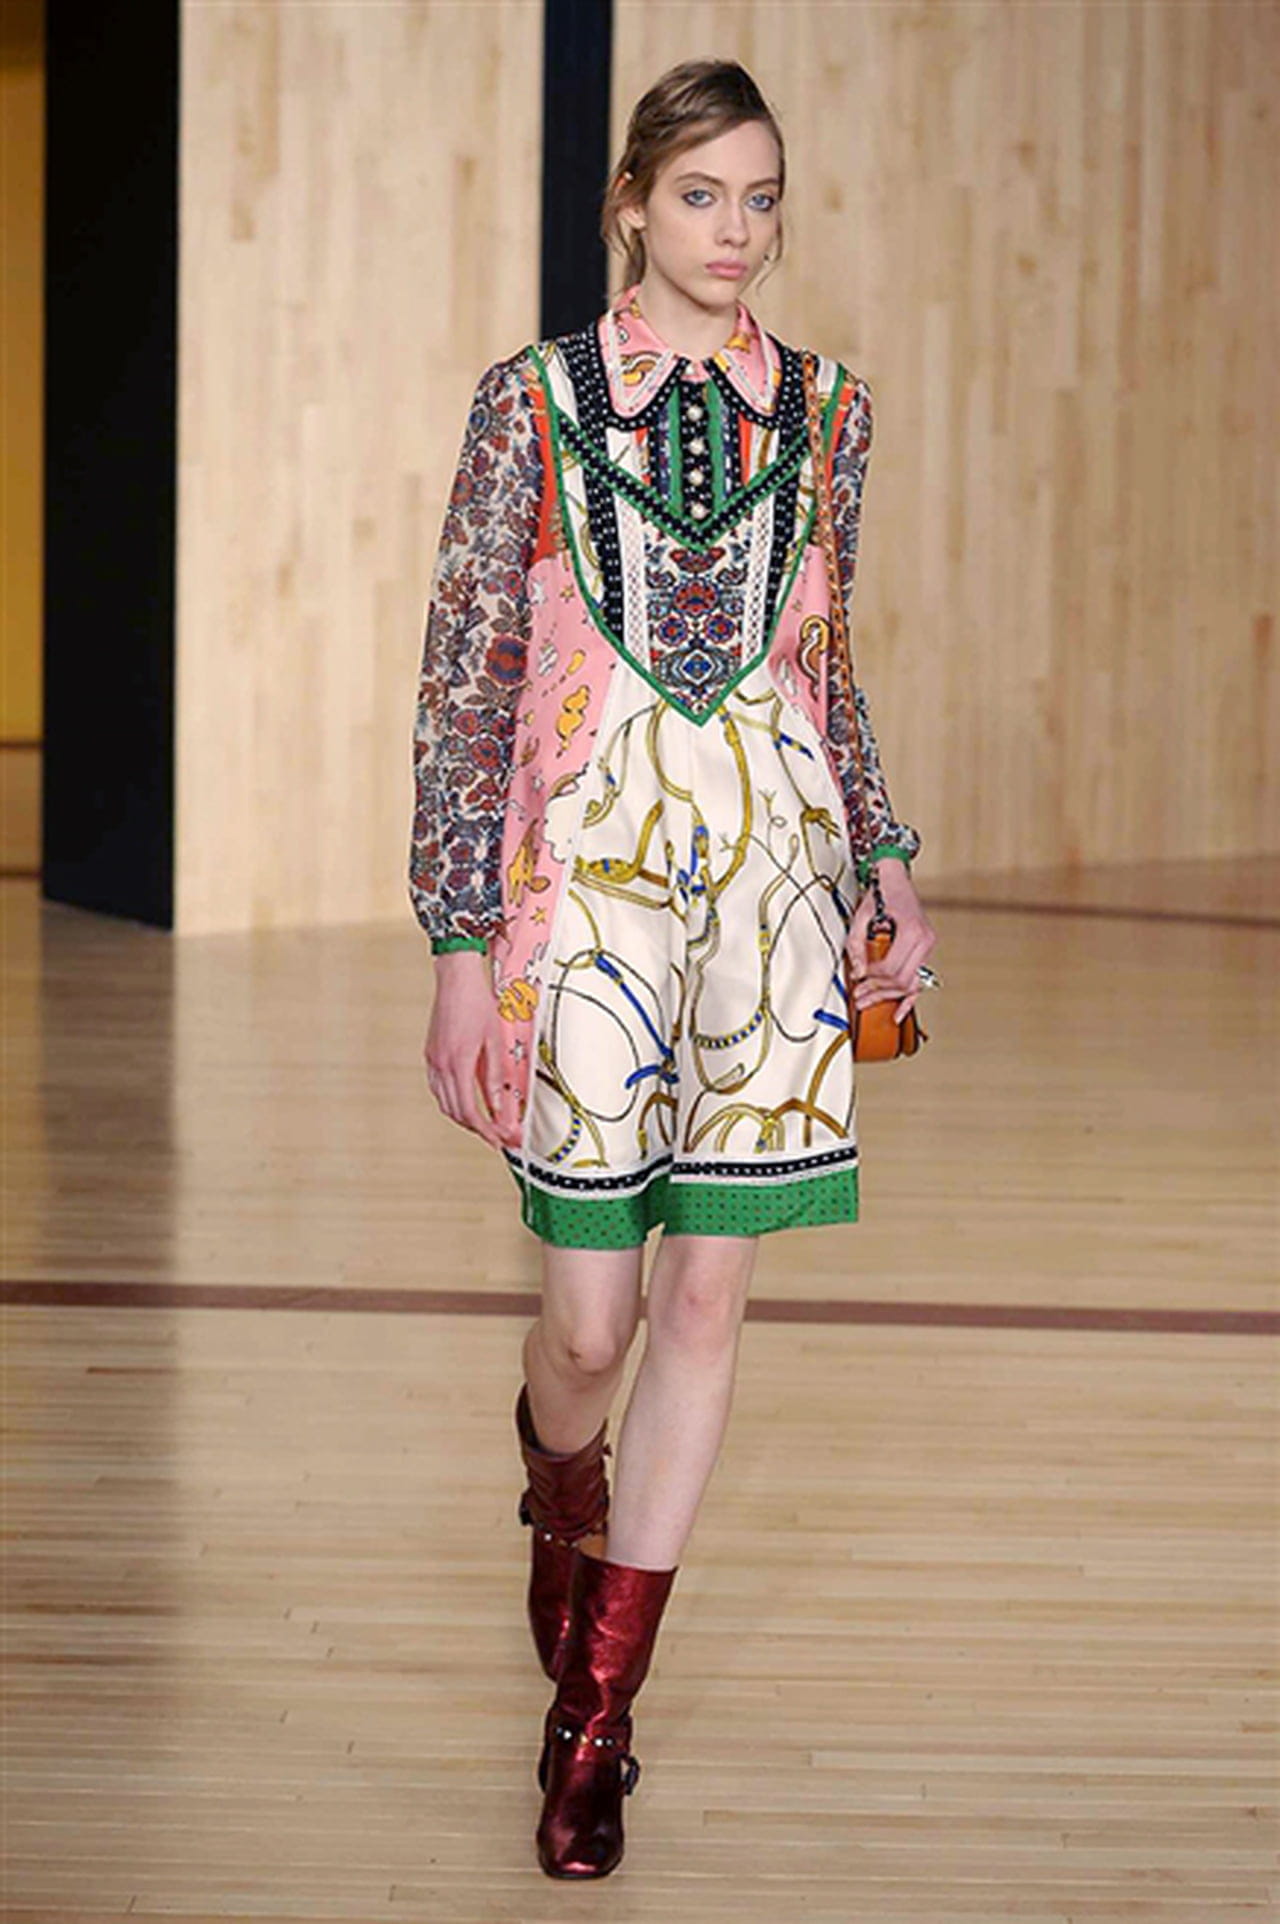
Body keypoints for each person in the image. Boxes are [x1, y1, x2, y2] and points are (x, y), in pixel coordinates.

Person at [408, 57, 936, 1880]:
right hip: (587, 904)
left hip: (776, 896)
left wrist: (886, 861)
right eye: (703, 194)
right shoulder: (531, 403)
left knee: (705, 1306)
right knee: (588, 1328)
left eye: (762, 197)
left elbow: (827, 663)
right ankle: (559, 1481)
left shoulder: (832, 411)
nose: (737, 231)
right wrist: (458, 950)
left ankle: (594, 1723)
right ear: (632, 204)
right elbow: (467, 682)